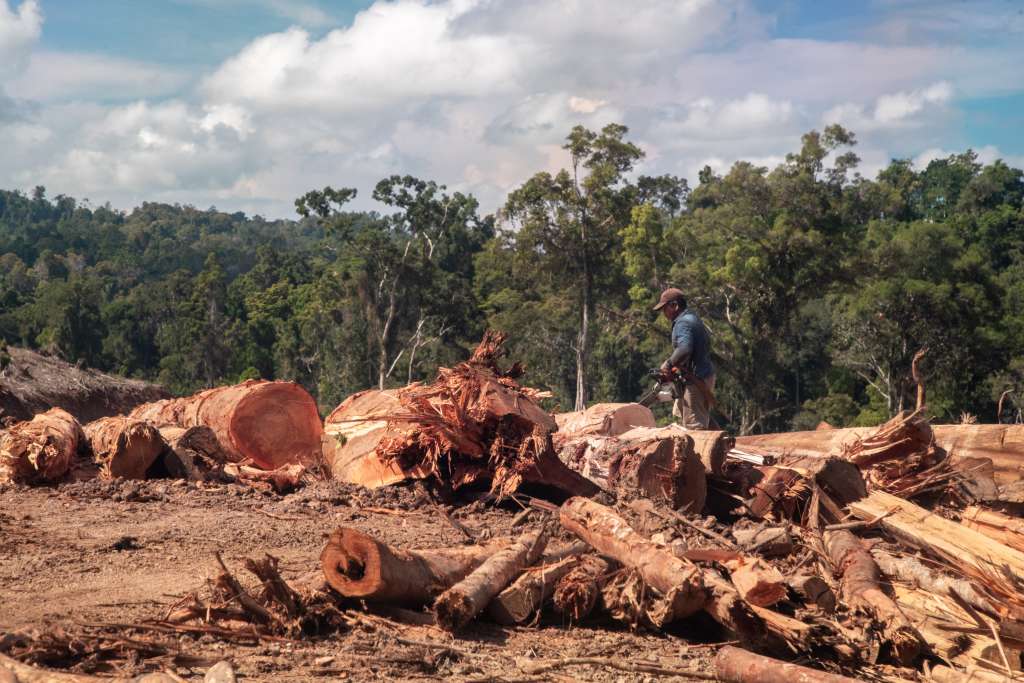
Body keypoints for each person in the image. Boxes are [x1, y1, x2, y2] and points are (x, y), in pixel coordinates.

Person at [652, 288, 716, 430]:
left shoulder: (683, 323)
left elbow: (685, 349)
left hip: (696, 379)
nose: (664, 313)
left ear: (674, 305)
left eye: (665, 308)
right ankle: (723, 445)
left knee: (694, 425)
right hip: (700, 376)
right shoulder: (691, 318)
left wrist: (668, 364)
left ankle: (705, 451)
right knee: (696, 416)